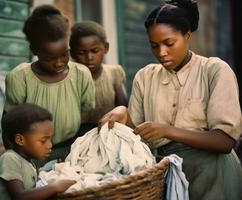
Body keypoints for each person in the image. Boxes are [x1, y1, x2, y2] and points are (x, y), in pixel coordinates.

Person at [99, 0, 242, 199]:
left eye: (169, 43)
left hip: (213, 175)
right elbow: (137, 136)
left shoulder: (214, 71)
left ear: (188, 36)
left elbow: (225, 141)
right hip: (165, 175)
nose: (161, 53)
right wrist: (123, 115)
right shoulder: (145, 76)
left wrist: (167, 131)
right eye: (154, 46)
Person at [3, 5, 95, 166]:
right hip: (31, 157)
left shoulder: (81, 74)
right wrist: (21, 164)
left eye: (64, 54)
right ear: (35, 50)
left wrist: (77, 155)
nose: (59, 63)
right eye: (49, 58)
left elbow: (86, 118)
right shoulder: (20, 77)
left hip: (72, 153)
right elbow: (8, 125)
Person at [0, 103, 76, 200]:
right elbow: (20, 196)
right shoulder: (9, 159)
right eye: (43, 141)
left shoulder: (29, 162)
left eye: (50, 139)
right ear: (20, 140)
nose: (50, 145)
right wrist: (55, 187)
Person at [69, 21, 127, 131]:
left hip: (108, 130)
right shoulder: (69, 78)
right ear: (72, 53)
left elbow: (123, 107)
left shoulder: (113, 73)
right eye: (82, 52)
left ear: (106, 48)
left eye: (95, 51)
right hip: (77, 136)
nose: (89, 57)